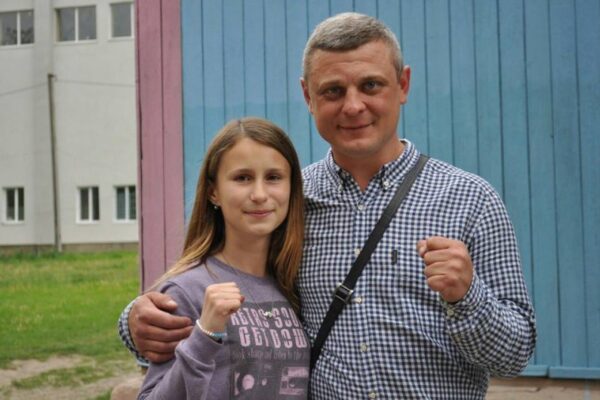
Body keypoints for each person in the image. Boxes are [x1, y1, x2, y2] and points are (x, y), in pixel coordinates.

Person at [120, 13, 536, 399]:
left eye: (371, 85)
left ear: (403, 85)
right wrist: (135, 321)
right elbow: (226, 279)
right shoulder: (288, 204)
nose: (353, 106)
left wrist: (467, 297)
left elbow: (515, 355)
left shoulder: (470, 200)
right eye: (333, 91)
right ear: (308, 95)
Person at [135, 117, 310, 399]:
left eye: (273, 177)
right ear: (213, 192)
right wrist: (205, 335)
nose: (259, 194)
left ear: (292, 188)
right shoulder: (187, 291)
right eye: (242, 178)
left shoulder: (294, 284)